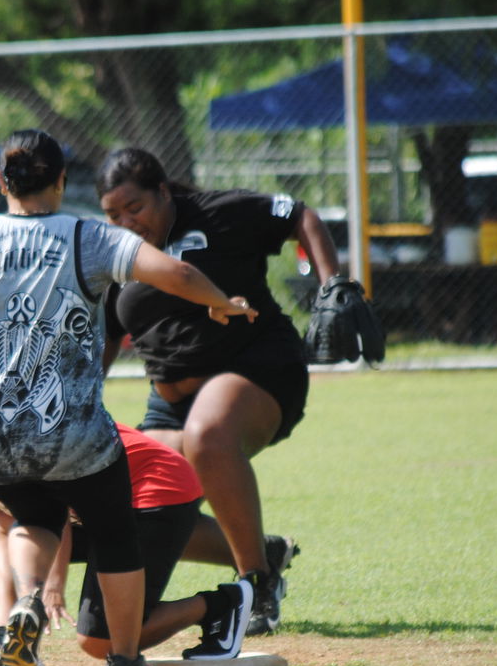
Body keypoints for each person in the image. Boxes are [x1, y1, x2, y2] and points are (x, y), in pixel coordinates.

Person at [0, 128, 257, 666]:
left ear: (0, 182)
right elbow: (176, 274)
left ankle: (25, 604)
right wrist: (221, 303)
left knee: (31, 518)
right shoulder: (88, 236)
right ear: (61, 181)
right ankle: (127, 665)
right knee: (113, 532)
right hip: (74, 434)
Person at [94, 147, 338, 635]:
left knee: (208, 435)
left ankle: (256, 587)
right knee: (146, 508)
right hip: (169, 402)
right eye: (113, 213)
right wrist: (83, 396)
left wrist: (336, 286)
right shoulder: (112, 253)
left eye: (135, 207)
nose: (125, 221)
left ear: (163, 191)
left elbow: (301, 215)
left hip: (257, 369)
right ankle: (263, 553)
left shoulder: (215, 214)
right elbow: (103, 336)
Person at [0, 382, 277, 666]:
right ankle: (4, 643)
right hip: (100, 503)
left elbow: (57, 502)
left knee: (99, 643)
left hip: (154, 492)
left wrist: (49, 587)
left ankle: (222, 604)